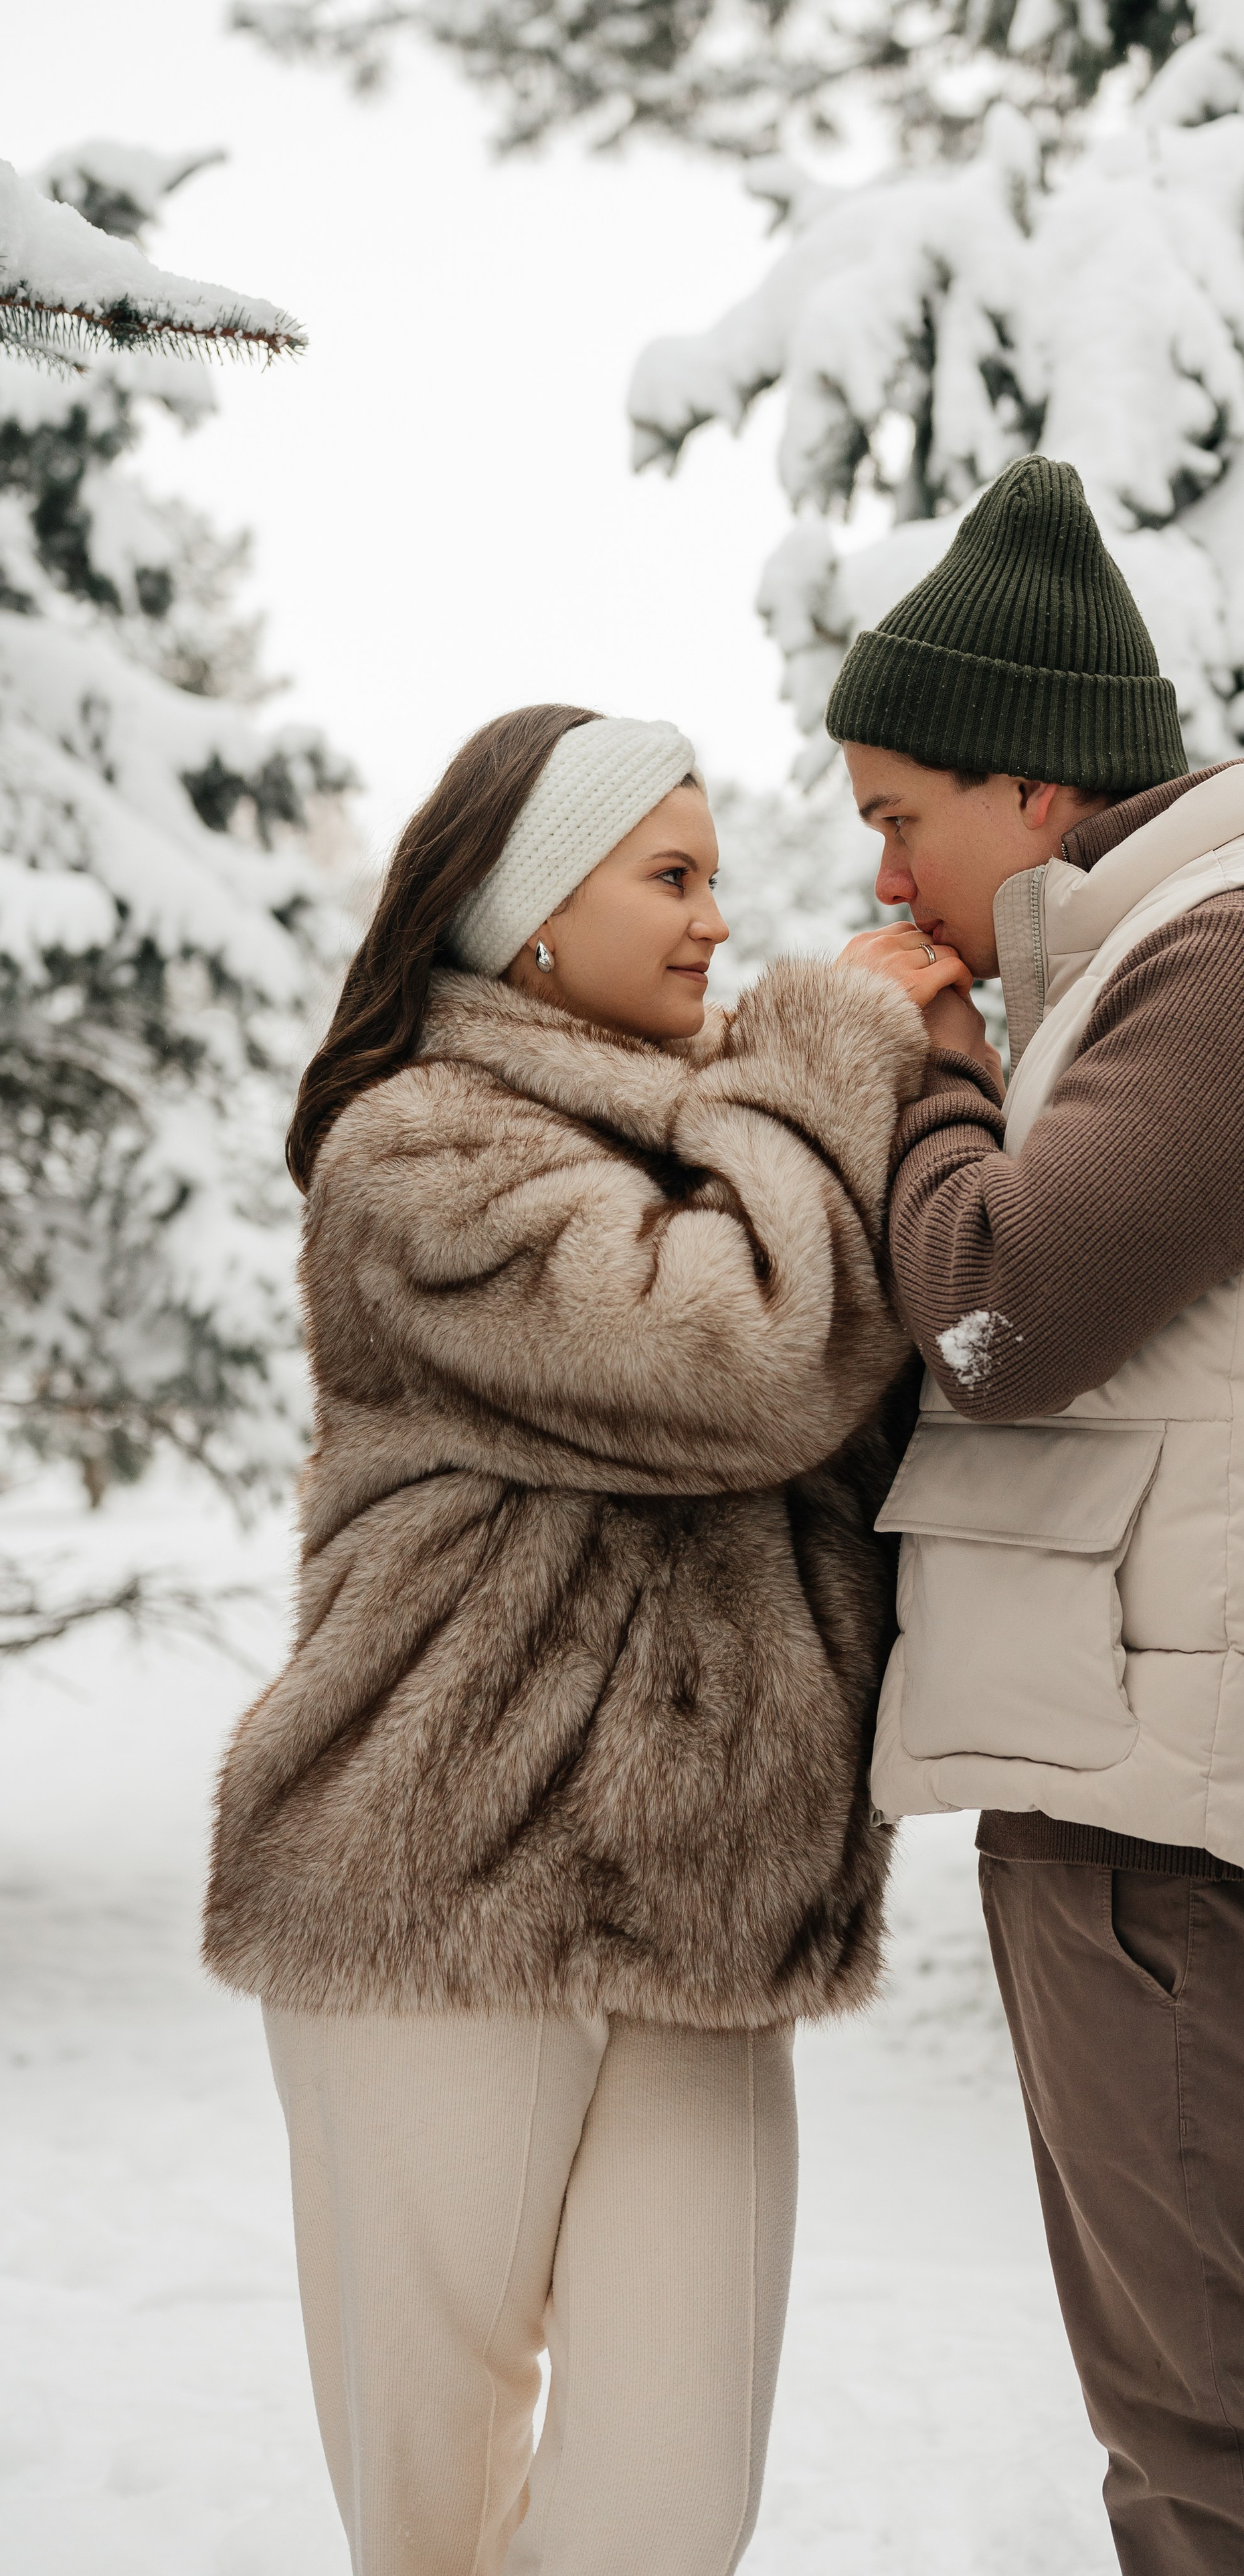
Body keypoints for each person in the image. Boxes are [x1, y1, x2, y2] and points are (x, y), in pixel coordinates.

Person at [202, 704, 969, 2576]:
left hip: (711, 1922)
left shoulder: (730, 1131)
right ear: (532, 909)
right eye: (672, 877)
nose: (720, 920)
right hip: (431, 1901)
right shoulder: (415, 1155)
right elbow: (739, 1357)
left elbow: (872, 1406)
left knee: (667, 2515)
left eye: (720, 875)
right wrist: (836, 1050)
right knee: (438, 2514)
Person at [831, 458, 1244, 2575]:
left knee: (1216, 2434)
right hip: (1160, 1795)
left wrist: (923, 1063)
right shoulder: (1201, 961)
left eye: (895, 812)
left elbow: (1001, 1316)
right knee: (1187, 2417)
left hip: (1193, 1831)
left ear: (1033, 797)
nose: (879, 861)